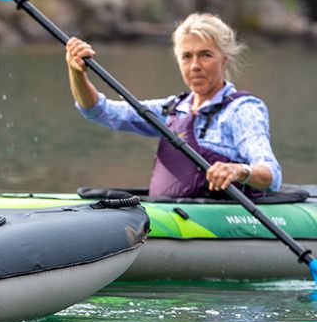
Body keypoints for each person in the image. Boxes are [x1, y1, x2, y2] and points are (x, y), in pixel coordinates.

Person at [65, 12, 282, 199]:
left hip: (222, 217)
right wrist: (77, 73)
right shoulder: (173, 109)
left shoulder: (242, 110)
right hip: (171, 212)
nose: (195, 65)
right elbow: (100, 111)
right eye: (187, 57)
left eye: (205, 55)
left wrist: (240, 171)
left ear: (224, 60)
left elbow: (271, 174)